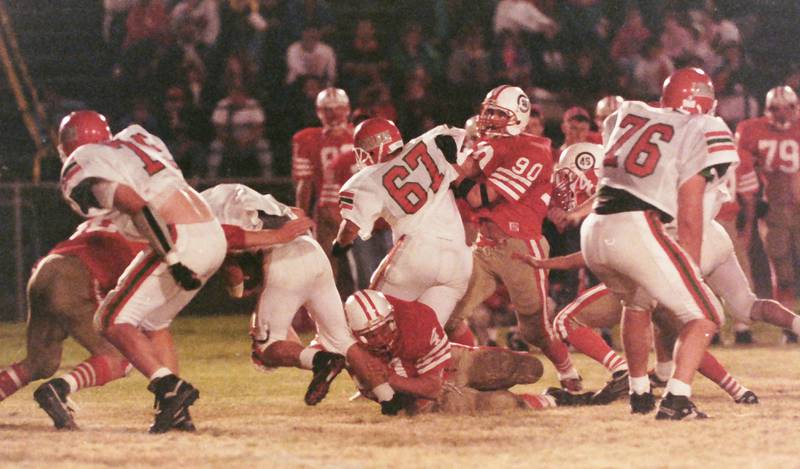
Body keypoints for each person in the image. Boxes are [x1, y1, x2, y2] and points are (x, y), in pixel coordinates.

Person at [580, 68, 739, 419]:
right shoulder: (703, 126)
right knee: (707, 313)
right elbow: (690, 209)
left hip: (594, 227)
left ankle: (639, 394)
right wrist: (693, 268)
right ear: (705, 102)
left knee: (637, 304)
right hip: (637, 226)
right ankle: (677, 400)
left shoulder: (629, 111)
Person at [58, 110, 227, 433]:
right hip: (210, 231)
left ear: (70, 142)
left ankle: (170, 388)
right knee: (154, 323)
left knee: (109, 319)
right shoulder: (137, 139)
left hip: (178, 236)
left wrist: (173, 258)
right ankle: (176, 413)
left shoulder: (85, 161)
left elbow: (136, 204)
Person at [200, 183, 389, 406]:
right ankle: (390, 397)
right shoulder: (245, 196)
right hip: (313, 252)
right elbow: (298, 215)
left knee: (266, 348)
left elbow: (233, 269)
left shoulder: (203, 217)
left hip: (285, 261)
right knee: (341, 338)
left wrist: (238, 292)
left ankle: (321, 360)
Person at [445, 85, 580, 391]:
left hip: (521, 248)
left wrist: (452, 174)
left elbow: (481, 196)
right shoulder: (485, 144)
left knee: (535, 331)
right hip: (484, 245)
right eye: (487, 111)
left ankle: (568, 372)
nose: (489, 118)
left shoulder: (533, 149)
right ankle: (467, 373)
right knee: (450, 316)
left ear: (517, 117)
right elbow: (459, 173)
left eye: (498, 113)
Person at [343, 289, 590, 415]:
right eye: (369, 335)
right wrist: (389, 379)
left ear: (392, 316)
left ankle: (527, 385)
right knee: (501, 404)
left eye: (384, 328)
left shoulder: (417, 319)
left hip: (442, 366)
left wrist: (387, 377)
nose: (379, 338)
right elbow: (430, 394)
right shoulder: (345, 345)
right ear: (354, 335)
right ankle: (549, 400)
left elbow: (432, 384)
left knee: (525, 366)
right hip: (423, 401)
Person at [0, 218, 139, 430]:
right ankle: (58, 389)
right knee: (122, 355)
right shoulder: (151, 230)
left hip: (43, 272)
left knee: (41, 363)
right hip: (72, 278)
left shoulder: (110, 215)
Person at [334, 118, 473, 327]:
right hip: (459, 260)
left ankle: (332, 356)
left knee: (369, 315)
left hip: (417, 254)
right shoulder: (432, 141)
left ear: (372, 150)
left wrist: (339, 246)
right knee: (424, 336)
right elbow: (465, 155)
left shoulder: (365, 179)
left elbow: (350, 229)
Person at [737, 85, 800, 344]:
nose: (782, 114)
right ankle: (790, 327)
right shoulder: (750, 130)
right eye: (776, 108)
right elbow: (740, 168)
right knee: (781, 270)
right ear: (766, 109)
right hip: (773, 208)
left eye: (788, 108)